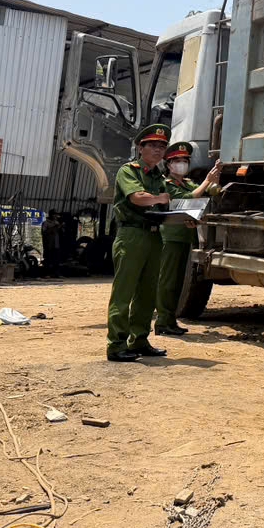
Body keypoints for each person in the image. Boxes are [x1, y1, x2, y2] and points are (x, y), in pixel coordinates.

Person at [105, 123, 172, 362]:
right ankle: (116, 345)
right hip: (132, 235)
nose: (158, 150)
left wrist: (185, 219)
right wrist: (160, 198)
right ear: (140, 148)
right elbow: (137, 198)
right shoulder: (129, 171)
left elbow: (167, 207)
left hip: (155, 235)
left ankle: (140, 340)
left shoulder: (159, 177)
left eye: (162, 146)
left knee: (147, 292)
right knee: (125, 291)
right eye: (153, 145)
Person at [154, 142, 221, 336]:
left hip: (185, 237)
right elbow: (189, 199)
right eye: (177, 161)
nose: (181, 164)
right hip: (171, 238)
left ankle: (170, 320)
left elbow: (211, 192)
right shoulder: (167, 185)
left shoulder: (189, 182)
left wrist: (216, 178)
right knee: (168, 281)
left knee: (178, 283)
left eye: (185, 161)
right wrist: (207, 181)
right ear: (168, 165)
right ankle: (163, 321)